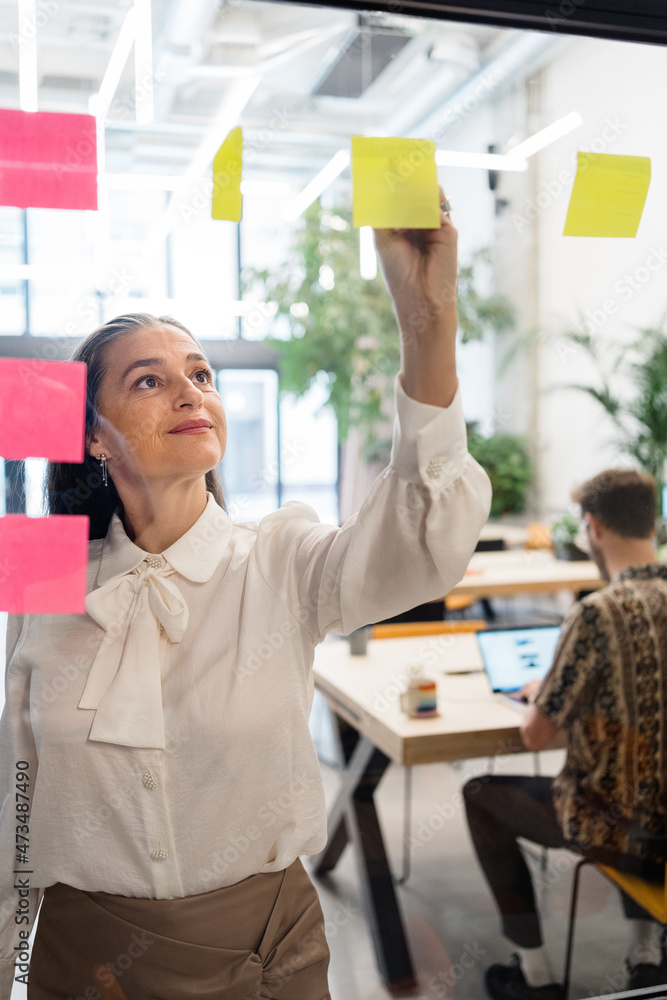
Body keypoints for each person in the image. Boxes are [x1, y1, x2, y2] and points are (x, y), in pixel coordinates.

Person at [0, 193, 492, 998]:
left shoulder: (279, 556)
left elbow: (423, 545)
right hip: (83, 960)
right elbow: (14, 778)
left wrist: (426, 320)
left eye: (201, 374)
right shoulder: (44, 570)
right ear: (92, 434)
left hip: (266, 952)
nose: (191, 393)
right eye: (151, 380)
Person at [463, 468, 667, 1000]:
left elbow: (536, 736)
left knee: (479, 795)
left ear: (593, 528)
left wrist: (546, 691)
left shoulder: (596, 614)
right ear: (654, 524)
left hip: (619, 827)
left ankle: (535, 978)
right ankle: (645, 955)